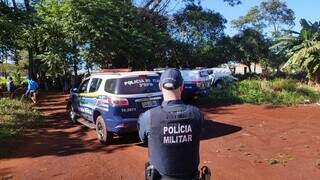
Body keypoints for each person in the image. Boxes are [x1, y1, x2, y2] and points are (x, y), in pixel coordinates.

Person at [138, 68, 210, 180]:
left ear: (160, 86)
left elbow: (144, 139)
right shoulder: (197, 114)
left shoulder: (148, 117)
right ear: (182, 87)